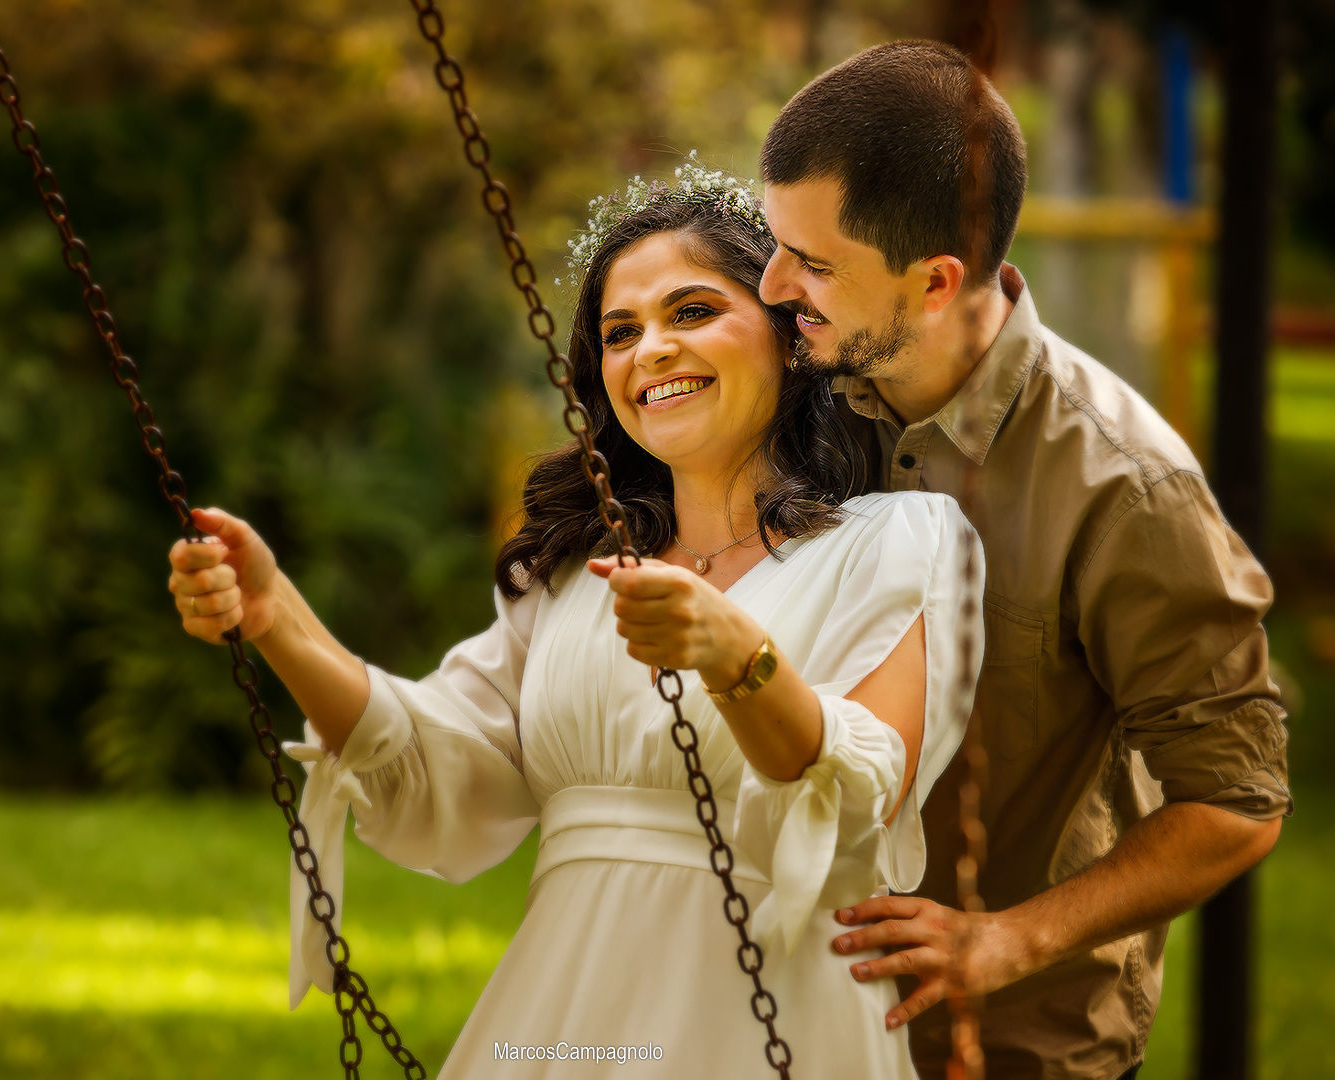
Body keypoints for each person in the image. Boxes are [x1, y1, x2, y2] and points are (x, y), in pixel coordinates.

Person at [166, 167, 985, 1077]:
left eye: (691, 312)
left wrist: (737, 658)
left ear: (791, 336)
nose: (652, 351)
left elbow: (860, 795)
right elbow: (433, 761)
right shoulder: (572, 571)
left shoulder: (898, 541)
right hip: (565, 1015)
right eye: (619, 333)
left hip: (774, 1016)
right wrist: (278, 618)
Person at [754, 40, 1291, 1080]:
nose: (773, 284)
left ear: (936, 282)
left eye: (811, 264)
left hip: (1003, 1053)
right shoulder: (791, 393)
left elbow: (1236, 800)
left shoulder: (1125, 488)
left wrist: (1010, 939)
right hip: (777, 1029)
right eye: (776, 244)